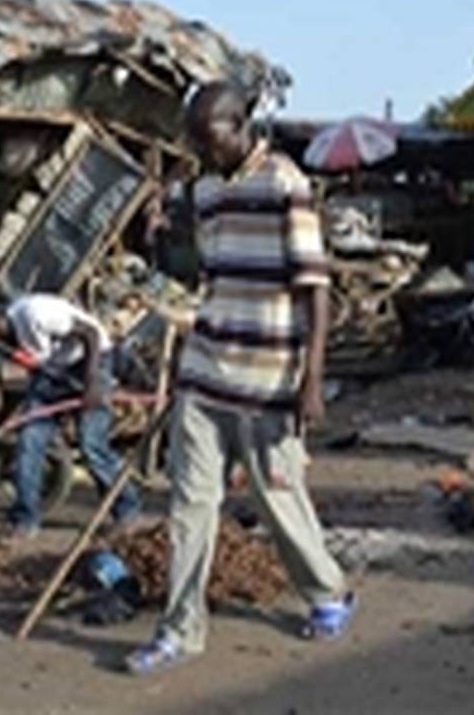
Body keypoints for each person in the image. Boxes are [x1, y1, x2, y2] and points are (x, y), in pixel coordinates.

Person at [125, 82, 355, 675]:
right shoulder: (204, 191)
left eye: (210, 138)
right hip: (205, 373)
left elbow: (315, 286)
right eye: (195, 141)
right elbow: (210, 274)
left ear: (240, 125)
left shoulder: (284, 184)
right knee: (189, 506)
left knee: (278, 498)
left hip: (268, 380)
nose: (203, 150)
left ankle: (327, 591)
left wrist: (312, 378)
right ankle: (180, 631)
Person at [0, 290, 142, 538]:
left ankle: (127, 511)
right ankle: (25, 520)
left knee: (91, 444)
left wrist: (92, 383)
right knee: (29, 442)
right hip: (50, 375)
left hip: (90, 360)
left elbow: (90, 333)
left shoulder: (34, 313)